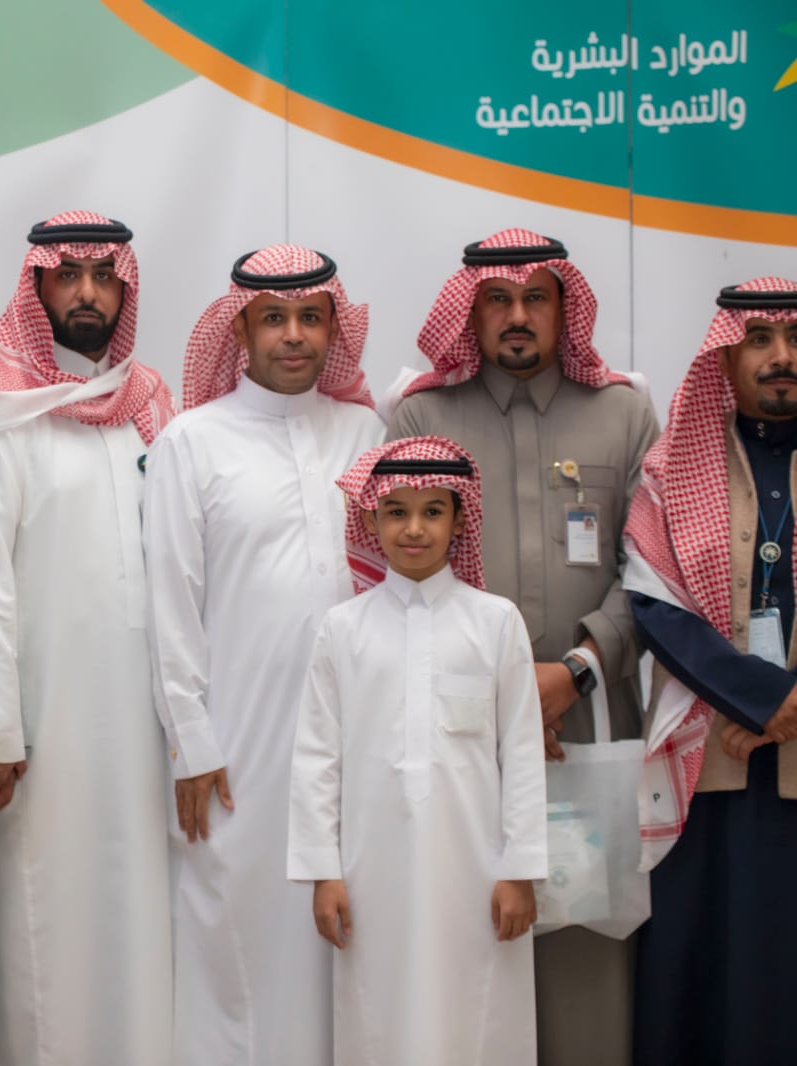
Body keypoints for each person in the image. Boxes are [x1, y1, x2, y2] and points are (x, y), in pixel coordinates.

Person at [386, 228, 658, 1063]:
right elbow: (399, 574)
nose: (517, 316)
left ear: (564, 309)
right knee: (470, 957)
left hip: (590, 723)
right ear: (468, 314)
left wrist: (577, 670)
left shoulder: (624, 413)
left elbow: (654, 570)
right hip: (464, 728)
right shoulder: (422, 417)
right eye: (497, 300)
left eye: (536, 298)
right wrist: (506, 693)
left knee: (585, 965)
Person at [0, 211, 175, 1066]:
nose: (87, 293)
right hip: (43, 723)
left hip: (144, 727)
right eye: (68, 276)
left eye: (103, 276)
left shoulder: (150, 405)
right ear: (36, 287)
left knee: (143, 915)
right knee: (47, 921)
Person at [143, 245, 384, 1063]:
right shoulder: (191, 441)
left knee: (349, 934)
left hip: (358, 736)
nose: (293, 335)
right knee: (237, 936)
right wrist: (191, 743)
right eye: (273, 318)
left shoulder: (365, 433)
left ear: (333, 330)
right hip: (237, 746)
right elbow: (171, 603)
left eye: (311, 318)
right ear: (239, 330)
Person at [288, 435, 547, 1065]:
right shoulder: (342, 629)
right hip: (369, 871)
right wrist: (324, 872)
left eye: (433, 511)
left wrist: (520, 869)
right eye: (396, 511)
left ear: (459, 520)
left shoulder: (496, 621)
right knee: (380, 1016)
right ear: (371, 519)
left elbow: (522, 752)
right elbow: (317, 758)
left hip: (479, 871)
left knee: (479, 1018)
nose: (414, 529)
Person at [623, 279, 797, 1065]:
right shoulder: (675, 465)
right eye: (759, 340)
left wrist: (788, 708)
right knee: (703, 960)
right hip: (708, 750)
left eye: (794, 340)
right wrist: (762, 699)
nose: (781, 357)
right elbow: (653, 603)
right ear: (723, 359)